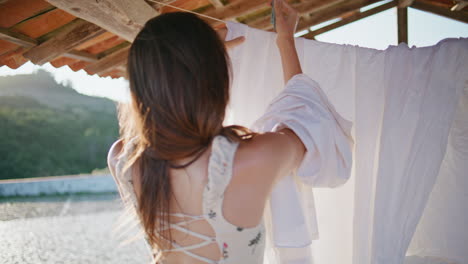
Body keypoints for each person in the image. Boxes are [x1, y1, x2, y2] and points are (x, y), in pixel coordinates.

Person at [108, 0, 319, 263]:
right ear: (216, 80)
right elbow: (304, 117)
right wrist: (285, 39)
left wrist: (204, 62)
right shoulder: (256, 157)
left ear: (140, 84)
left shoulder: (122, 159)